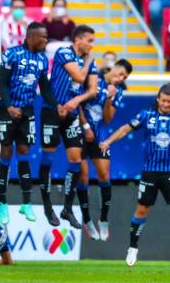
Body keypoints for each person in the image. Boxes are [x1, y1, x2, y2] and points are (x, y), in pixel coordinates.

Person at [100, 83, 170, 266]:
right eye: (164, 101)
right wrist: (108, 141)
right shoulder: (147, 115)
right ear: (158, 99)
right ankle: (133, 248)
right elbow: (126, 128)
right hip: (150, 173)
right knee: (141, 210)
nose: (167, 104)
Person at [0, 24, 59, 225]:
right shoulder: (12, 54)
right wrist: (8, 106)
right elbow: (3, 84)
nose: (46, 40)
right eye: (44, 37)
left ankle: (26, 202)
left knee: (24, 152)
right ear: (32, 36)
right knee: (6, 153)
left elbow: (45, 88)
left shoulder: (42, 59)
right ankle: (2, 203)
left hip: (28, 111)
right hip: (8, 109)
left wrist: (57, 105)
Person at [40, 25, 97, 228]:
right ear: (78, 40)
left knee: (75, 161)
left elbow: (93, 90)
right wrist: (89, 61)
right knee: (48, 157)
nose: (92, 45)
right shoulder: (64, 52)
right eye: (90, 40)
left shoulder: (91, 61)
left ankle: (67, 208)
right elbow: (80, 78)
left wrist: (76, 101)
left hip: (72, 114)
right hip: (52, 112)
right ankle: (47, 206)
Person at [78, 58, 133, 241]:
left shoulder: (118, 91)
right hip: (78, 130)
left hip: (99, 133)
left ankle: (103, 219)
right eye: (120, 73)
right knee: (83, 175)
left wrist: (110, 97)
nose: (120, 78)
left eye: (124, 77)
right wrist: (84, 126)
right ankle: (86, 219)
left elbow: (108, 119)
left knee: (104, 175)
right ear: (114, 68)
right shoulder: (94, 77)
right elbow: (78, 101)